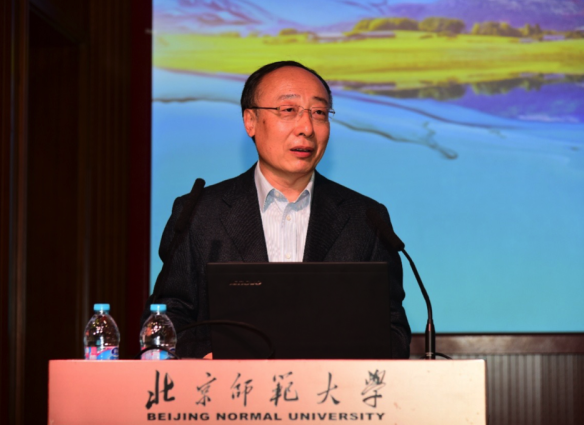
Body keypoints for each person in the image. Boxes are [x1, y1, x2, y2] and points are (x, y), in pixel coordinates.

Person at [142, 61, 411, 358]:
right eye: (288, 110)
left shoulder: (366, 218)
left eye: (319, 113)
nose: (306, 128)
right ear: (250, 121)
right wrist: (207, 356)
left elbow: (393, 331)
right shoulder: (198, 214)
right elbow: (167, 317)